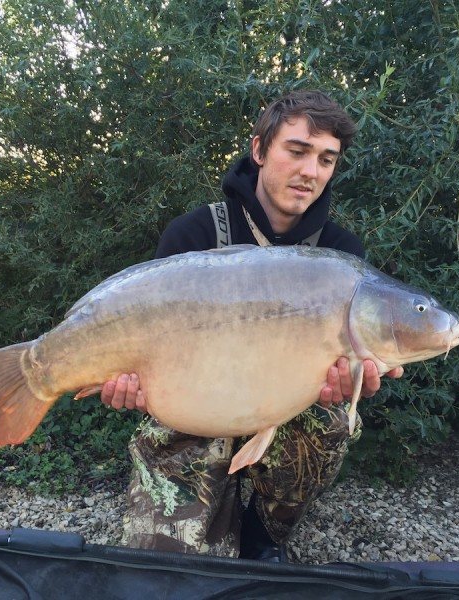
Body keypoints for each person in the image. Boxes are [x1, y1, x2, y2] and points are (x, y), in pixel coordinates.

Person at [100, 90, 403, 562]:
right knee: (167, 568)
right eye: (297, 151)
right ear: (259, 150)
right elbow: (146, 343)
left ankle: (265, 530)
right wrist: (131, 384)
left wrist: (355, 381)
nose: (310, 172)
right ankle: (202, 521)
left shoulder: (342, 254)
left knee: (331, 417)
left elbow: (346, 366)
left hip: (284, 409)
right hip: (196, 406)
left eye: (327, 159)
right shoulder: (194, 234)